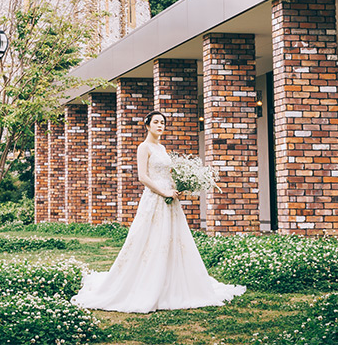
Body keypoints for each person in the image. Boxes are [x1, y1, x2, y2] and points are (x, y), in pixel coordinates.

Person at [71, 110, 246, 313]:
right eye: (156, 122)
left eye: (162, 122)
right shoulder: (143, 147)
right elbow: (143, 177)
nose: (160, 125)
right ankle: (145, 282)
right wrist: (163, 192)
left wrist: (176, 187)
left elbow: (167, 174)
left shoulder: (162, 148)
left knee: (173, 238)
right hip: (154, 198)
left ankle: (173, 281)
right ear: (147, 125)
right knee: (148, 237)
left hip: (170, 197)